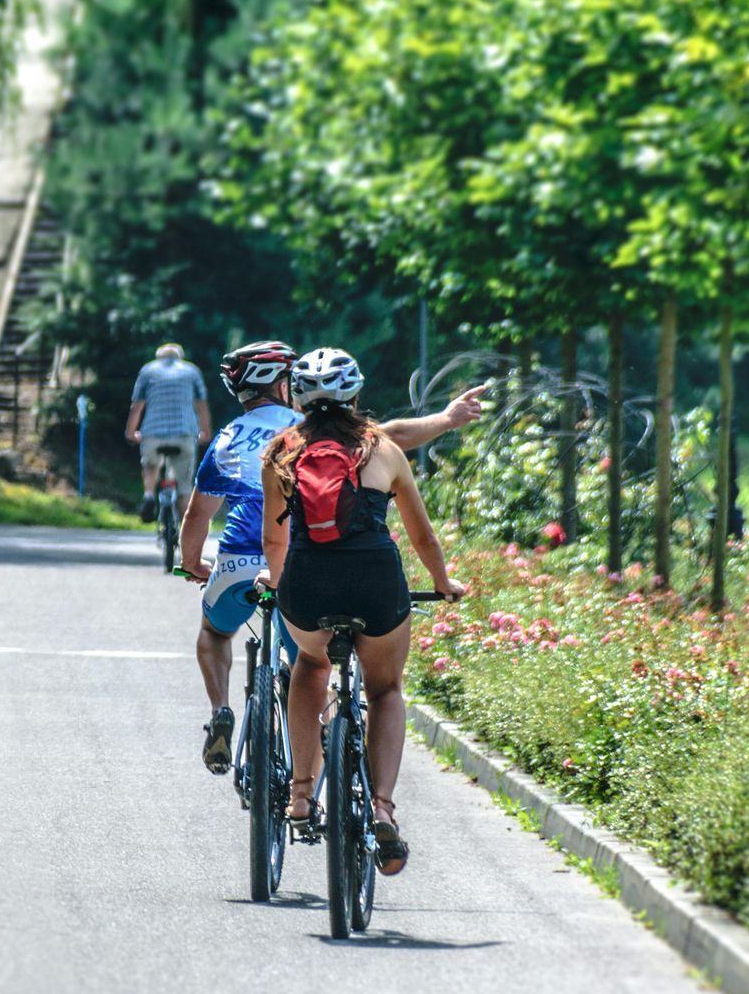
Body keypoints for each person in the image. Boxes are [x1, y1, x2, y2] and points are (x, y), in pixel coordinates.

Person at [180, 343, 485, 778]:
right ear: (283, 387)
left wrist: (193, 562)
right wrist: (447, 419)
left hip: (241, 563)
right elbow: (392, 437)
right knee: (313, 667)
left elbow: (198, 514)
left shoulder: (232, 438)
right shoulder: (307, 430)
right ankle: (323, 762)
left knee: (214, 631)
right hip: (306, 563)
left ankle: (220, 710)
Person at [254, 347, 467, 878]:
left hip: (308, 583)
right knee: (386, 690)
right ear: (354, 395)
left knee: (310, 665)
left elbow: (274, 541)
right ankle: (382, 809)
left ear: (297, 399)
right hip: (375, 582)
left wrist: (277, 582)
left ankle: (301, 794)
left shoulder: (279, 452)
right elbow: (422, 536)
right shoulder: (382, 449)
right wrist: (443, 584)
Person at [126, 343, 211, 522]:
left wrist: (131, 432)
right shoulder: (191, 371)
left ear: (159, 357)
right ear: (180, 356)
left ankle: (149, 494)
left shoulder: (148, 371)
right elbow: (202, 405)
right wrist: (205, 432)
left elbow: (137, 406)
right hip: (185, 434)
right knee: (184, 488)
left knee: (150, 465)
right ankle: (184, 528)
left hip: (152, 434)